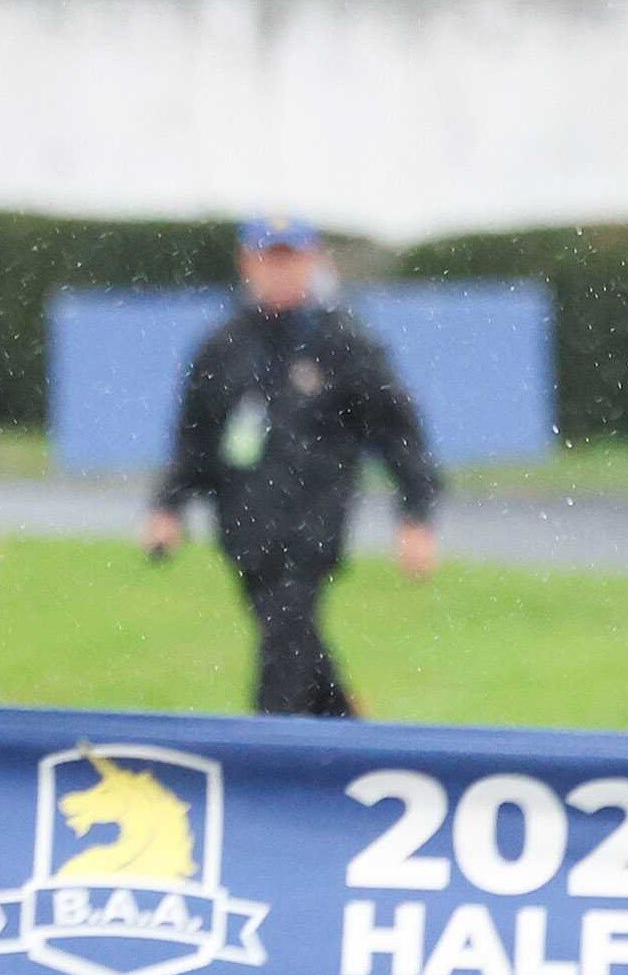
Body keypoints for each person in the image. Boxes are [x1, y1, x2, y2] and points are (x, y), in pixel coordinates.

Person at [142, 214, 440, 717]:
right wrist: (168, 507)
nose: (280, 272)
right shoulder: (222, 346)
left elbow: (397, 431)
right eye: (269, 260)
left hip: (312, 526)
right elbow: (195, 439)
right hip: (244, 529)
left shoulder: (343, 341)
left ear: (313, 262)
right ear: (247, 264)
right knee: (296, 644)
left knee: (285, 642)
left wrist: (416, 514)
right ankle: (345, 727)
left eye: (291, 260)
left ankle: (264, 750)